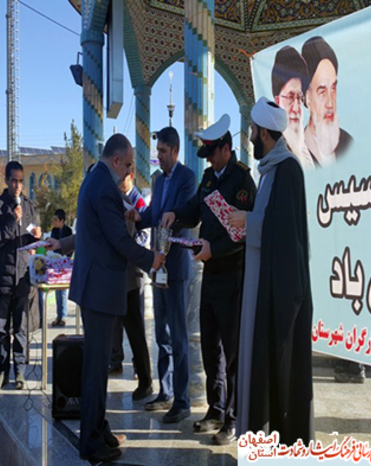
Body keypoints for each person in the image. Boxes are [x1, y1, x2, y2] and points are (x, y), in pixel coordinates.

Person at [161, 114, 257, 445]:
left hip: (233, 274)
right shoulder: (208, 179)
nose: (210, 159)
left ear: (226, 149)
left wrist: (214, 249)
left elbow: (245, 234)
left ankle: (233, 417)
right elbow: (194, 209)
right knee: (210, 346)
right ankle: (215, 409)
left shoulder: (242, 181)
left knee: (232, 350)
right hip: (211, 272)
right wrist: (176, 215)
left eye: (213, 153)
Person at [69, 133, 164, 462]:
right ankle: (91, 442)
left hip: (95, 287)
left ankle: (98, 428)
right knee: (96, 371)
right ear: (115, 160)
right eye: (127, 164)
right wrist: (151, 260)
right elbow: (119, 241)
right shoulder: (105, 188)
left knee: (96, 369)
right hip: (99, 289)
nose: (129, 171)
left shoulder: (95, 179)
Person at [229, 97, 314, 445]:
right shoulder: (270, 170)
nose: (249, 135)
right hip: (261, 283)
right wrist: (246, 223)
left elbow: (286, 233)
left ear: (264, 132)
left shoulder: (288, 170)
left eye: (252, 130)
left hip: (278, 292)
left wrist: (249, 221)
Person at [128, 126, 197, 421]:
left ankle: (182, 401)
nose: (160, 156)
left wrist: (174, 215)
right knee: (162, 333)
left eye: (164, 151)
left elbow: (184, 213)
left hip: (177, 267)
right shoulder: (157, 180)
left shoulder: (187, 178)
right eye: (157, 151)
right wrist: (138, 217)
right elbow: (155, 213)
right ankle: (165, 391)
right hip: (158, 266)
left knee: (179, 337)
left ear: (176, 151)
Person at [0, 161, 42, 390]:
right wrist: (12, 219)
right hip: (2, 277)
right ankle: (3, 371)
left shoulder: (28, 205)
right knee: (2, 329)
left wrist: (37, 236)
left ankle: (20, 370)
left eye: (21, 181)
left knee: (20, 328)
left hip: (22, 277)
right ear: (6, 181)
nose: (18, 185)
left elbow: (31, 240)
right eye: (14, 181)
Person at [109, 172, 149, 375]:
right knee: (115, 321)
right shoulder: (115, 199)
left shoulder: (138, 201)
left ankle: (138, 366)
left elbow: (144, 234)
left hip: (134, 270)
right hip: (117, 271)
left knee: (135, 322)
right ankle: (115, 358)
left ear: (130, 176)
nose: (118, 182)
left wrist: (129, 245)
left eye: (121, 178)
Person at [302, 36, 353, 167]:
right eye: (322, 92)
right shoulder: (296, 154)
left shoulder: (348, 144)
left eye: (333, 89)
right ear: (308, 98)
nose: (330, 104)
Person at [272, 45, 314, 169]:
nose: (296, 108)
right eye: (290, 98)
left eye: (299, 98)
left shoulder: (308, 155)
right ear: (277, 101)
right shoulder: (272, 156)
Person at [50, 208, 73, 327]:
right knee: (56, 290)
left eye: (56, 219)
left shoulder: (68, 231)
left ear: (62, 220)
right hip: (55, 261)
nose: (54, 222)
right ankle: (58, 315)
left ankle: (63, 315)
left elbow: (69, 246)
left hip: (64, 262)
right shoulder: (54, 231)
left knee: (63, 290)